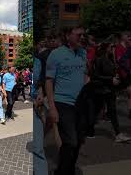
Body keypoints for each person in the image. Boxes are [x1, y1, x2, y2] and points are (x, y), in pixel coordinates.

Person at [46, 26, 86, 175]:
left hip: (81, 104)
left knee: (79, 142)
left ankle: (65, 170)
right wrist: (52, 107)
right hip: (63, 103)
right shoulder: (56, 54)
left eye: (83, 35)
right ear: (68, 35)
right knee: (71, 141)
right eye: (79, 35)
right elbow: (49, 82)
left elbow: (84, 75)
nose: (82, 37)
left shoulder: (83, 53)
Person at [91, 42, 131, 142]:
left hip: (110, 90)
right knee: (95, 111)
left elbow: (113, 71)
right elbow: (95, 76)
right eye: (111, 47)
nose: (112, 49)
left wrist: (116, 76)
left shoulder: (110, 58)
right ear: (106, 49)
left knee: (112, 111)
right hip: (101, 90)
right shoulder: (99, 60)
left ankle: (118, 134)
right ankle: (87, 129)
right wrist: (110, 79)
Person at [115, 31, 131, 119]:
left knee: (129, 92)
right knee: (130, 91)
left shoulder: (128, 47)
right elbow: (119, 60)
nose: (130, 38)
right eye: (128, 36)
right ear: (123, 37)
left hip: (128, 72)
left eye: (130, 37)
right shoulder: (119, 47)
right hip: (123, 72)